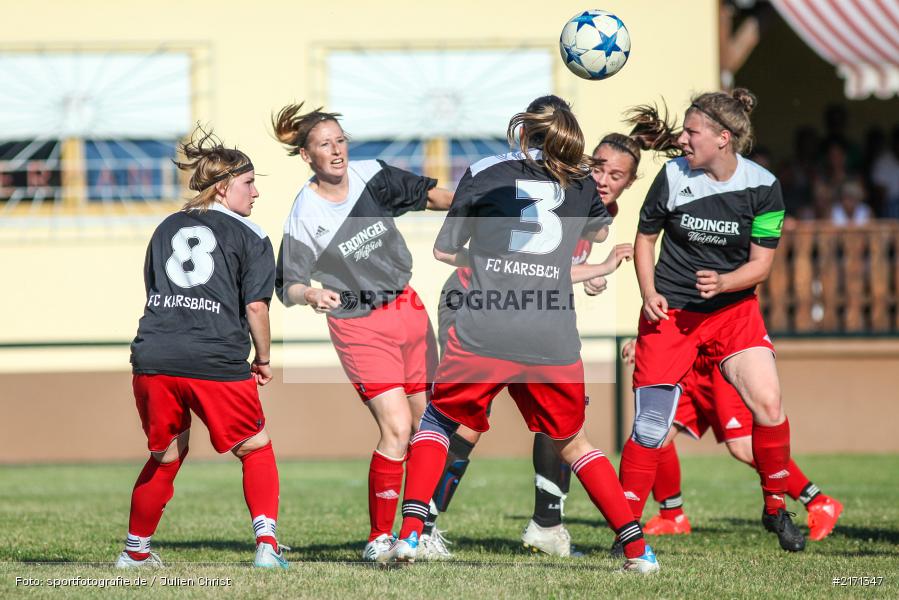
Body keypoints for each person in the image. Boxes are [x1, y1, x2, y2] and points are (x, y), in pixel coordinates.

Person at [386, 95, 660, 573]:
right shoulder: (578, 183)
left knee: (437, 423)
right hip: (551, 332)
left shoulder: (486, 170)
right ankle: (639, 551)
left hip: (487, 325)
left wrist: (494, 259)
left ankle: (410, 536)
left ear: (525, 128)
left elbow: (445, 253)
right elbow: (595, 233)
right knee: (575, 442)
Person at [619, 87, 806, 553]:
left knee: (768, 403)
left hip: (732, 311)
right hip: (673, 314)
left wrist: (724, 284)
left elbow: (761, 265)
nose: (682, 139)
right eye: (683, 130)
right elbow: (644, 240)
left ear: (724, 138)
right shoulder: (672, 177)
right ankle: (627, 529)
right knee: (651, 427)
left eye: (691, 131)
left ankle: (776, 507)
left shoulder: (763, 186)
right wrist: (648, 293)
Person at [272, 103, 453, 562]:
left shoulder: (374, 175)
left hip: (408, 309)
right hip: (358, 324)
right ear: (307, 157)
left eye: (340, 140)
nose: (336, 151)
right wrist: (308, 294)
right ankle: (378, 537)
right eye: (324, 145)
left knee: (429, 427)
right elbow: (285, 284)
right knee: (396, 428)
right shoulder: (306, 212)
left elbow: (434, 196)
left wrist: (489, 202)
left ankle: (420, 532)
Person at [118, 128, 286, 569]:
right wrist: (264, 359)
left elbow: (155, 289)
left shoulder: (165, 226)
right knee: (254, 448)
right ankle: (267, 547)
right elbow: (255, 305)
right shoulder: (252, 234)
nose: (256, 192)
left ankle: (134, 551)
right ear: (223, 186)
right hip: (214, 357)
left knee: (166, 454)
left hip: (154, 355)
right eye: (248, 183)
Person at [618, 340, 843, 542]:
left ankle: (819, 502)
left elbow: (695, 300)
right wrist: (648, 342)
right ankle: (672, 517)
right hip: (687, 358)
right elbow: (670, 302)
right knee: (659, 433)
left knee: (743, 445)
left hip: (719, 357)